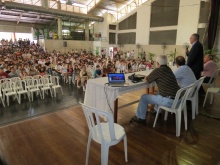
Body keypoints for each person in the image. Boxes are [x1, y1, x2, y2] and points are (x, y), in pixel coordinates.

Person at [131, 55, 180, 124]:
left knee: (143, 97)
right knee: (159, 92)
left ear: (157, 63)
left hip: (168, 101)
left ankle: (141, 118)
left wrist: (147, 77)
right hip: (177, 100)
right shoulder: (168, 69)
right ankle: (157, 110)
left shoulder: (158, 70)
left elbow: (147, 80)